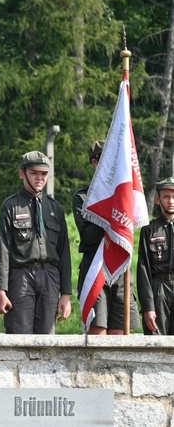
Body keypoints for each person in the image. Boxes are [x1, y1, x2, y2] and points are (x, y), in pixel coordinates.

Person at [0, 151, 72, 334]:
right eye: (34, 173)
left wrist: (66, 294)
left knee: (46, 340)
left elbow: (64, 253)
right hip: (21, 276)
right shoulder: (10, 206)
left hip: (50, 276)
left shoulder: (55, 208)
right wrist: (0, 289)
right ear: (22, 173)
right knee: (19, 336)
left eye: (43, 174)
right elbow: (2, 251)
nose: (39, 178)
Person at [73, 140, 140, 335]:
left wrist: (121, 199)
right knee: (98, 334)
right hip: (96, 267)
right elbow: (88, 236)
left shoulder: (127, 196)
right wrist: (110, 207)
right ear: (95, 162)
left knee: (120, 337)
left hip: (120, 267)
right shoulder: (83, 198)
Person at [137, 177, 174, 335]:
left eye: (173, 197)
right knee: (157, 341)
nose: (171, 201)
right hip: (158, 289)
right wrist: (148, 307)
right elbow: (143, 271)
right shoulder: (149, 230)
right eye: (166, 197)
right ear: (158, 199)